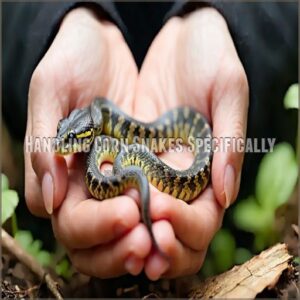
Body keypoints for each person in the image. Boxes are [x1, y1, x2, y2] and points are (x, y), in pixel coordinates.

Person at [3, 2, 297, 281]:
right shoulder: (95, 124)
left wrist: (218, 13)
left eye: (70, 140)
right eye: (66, 138)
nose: (63, 145)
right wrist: (63, 16)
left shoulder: (107, 126)